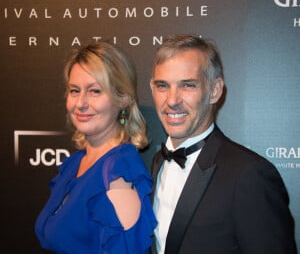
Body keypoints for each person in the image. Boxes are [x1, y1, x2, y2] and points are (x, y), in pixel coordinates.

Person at [150, 34, 297, 254]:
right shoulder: (158, 160)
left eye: (188, 86)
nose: (172, 100)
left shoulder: (249, 174)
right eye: (163, 86)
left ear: (215, 90)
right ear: (152, 89)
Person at [35, 42, 157, 254]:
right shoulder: (76, 162)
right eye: (74, 90)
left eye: (94, 91)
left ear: (123, 98)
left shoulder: (117, 172)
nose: (80, 103)